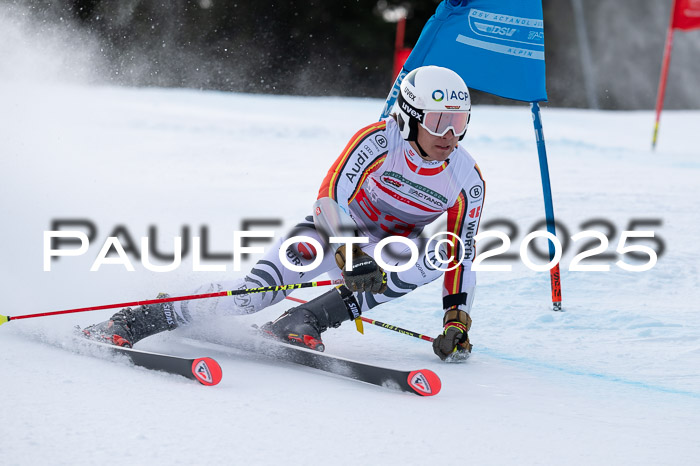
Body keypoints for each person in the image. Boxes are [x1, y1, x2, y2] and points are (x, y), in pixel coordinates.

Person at [83, 65, 485, 361]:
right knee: (249, 298)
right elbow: (328, 197)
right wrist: (349, 254)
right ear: (411, 118)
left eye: (459, 122)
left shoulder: (467, 179)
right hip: (334, 236)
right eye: (439, 122)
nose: (451, 135)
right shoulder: (379, 140)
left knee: (443, 250)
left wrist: (456, 318)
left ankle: (305, 320)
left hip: (389, 252)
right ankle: (140, 319)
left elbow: (462, 251)